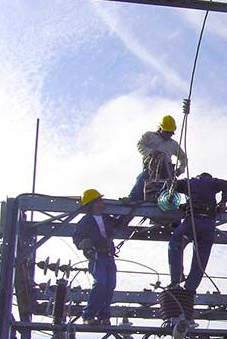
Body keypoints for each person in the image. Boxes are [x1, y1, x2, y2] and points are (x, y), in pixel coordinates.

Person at [168, 173, 227, 292]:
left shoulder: (191, 182)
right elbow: (225, 183)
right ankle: (190, 288)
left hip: (192, 220)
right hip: (208, 223)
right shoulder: (212, 182)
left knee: (175, 243)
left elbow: (172, 185)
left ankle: (176, 279)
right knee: (201, 256)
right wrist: (223, 201)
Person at [73, 189, 119, 325]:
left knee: (110, 284)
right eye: (99, 200)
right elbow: (77, 238)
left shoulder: (106, 218)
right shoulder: (85, 221)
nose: (101, 203)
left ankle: (104, 316)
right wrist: (83, 244)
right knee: (100, 283)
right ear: (91, 204)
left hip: (108, 255)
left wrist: (131, 207)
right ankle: (89, 315)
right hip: (97, 256)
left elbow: (120, 222)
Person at [127, 115, 188, 202]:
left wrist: (180, 170)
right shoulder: (149, 136)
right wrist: (151, 152)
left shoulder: (173, 144)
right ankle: (132, 199)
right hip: (151, 169)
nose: (168, 135)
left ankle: (168, 202)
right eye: (167, 132)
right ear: (160, 129)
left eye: (170, 133)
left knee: (170, 187)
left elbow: (183, 158)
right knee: (142, 179)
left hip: (167, 171)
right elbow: (140, 145)